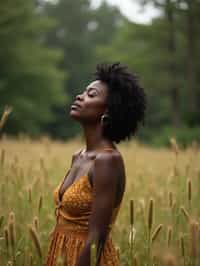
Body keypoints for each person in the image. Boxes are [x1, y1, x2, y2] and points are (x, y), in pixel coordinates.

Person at [45, 63, 146, 266]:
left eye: (91, 94)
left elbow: (97, 236)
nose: (80, 97)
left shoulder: (107, 161)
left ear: (108, 111)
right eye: (83, 92)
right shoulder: (79, 156)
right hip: (60, 254)